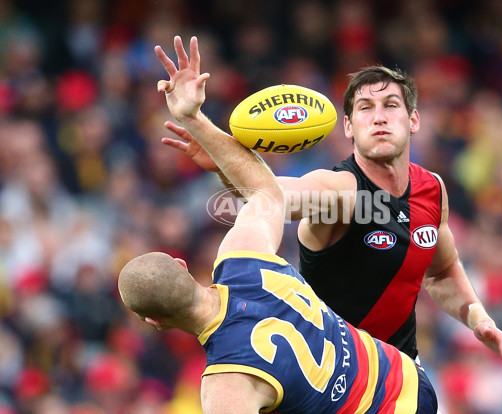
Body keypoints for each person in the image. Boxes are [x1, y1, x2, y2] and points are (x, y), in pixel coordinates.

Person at [162, 45, 502, 382]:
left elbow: (441, 270)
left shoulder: (433, 189)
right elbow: (271, 195)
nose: (379, 117)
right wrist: (197, 121)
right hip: (335, 386)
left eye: (391, 105)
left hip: (402, 375)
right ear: (348, 127)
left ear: (413, 121)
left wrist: (478, 319)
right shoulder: (340, 191)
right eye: (365, 109)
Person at [118, 35, 438, 414]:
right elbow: (265, 192)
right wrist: (194, 118)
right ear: (182, 266)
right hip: (407, 378)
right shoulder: (243, 258)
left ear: (153, 321)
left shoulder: (226, 386)